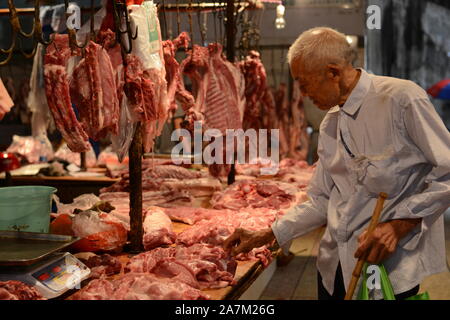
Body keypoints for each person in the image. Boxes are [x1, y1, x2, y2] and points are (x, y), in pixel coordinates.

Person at [223, 27, 450, 300]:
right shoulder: (332, 123)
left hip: (387, 270)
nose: (303, 93)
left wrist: (399, 225)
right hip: (334, 268)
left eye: (304, 83)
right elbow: (321, 200)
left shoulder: (400, 99)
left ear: (332, 72)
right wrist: (270, 234)